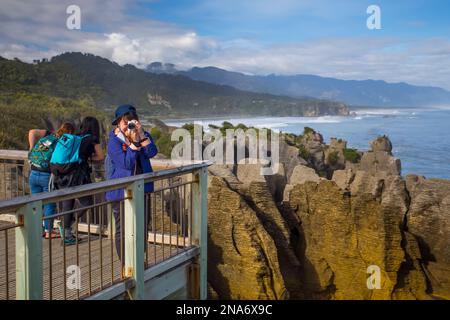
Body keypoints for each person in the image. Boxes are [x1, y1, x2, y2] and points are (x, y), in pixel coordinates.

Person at [105, 104, 158, 261]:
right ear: (118, 123)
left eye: (132, 121)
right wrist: (133, 145)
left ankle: (140, 261)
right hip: (121, 192)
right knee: (123, 230)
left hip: (143, 189)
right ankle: (126, 265)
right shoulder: (114, 142)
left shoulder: (142, 134)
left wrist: (140, 134)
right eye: (125, 122)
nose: (129, 125)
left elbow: (151, 152)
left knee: (141, 228)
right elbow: (126, 164)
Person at [50, 117, 105, 245]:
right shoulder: (92, 139)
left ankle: (67, 235)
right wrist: (90, 157)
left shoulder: (76, 137)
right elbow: (101, 156)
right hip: (78, 177)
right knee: (87, 202)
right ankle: (68, 223)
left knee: (67, 204)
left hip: (62, 174)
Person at [28, 122, 75, 239]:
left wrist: (31, 148)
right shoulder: (61, 142)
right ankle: (49, 231)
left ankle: (37, 229)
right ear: (70, 133)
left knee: (36, 203)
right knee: (49, 203)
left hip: (33, 173)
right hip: (46, 175)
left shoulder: (48, 136)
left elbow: (32, 132)